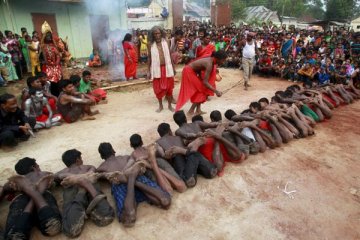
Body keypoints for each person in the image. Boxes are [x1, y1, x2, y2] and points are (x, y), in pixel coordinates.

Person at [96, 142, 171, 227]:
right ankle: (132, 179)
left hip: (119, 183)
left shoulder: (101, 168)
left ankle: (131, 180)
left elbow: (99, 177)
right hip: (137, 177)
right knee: (166, 201)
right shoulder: (126, 158)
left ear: (102, 157)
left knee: (128, 219)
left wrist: (124, 179)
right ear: (113, 150)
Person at [55, 149, 115, 238]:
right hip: (91, 190)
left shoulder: (62, 172)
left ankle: (81, 188)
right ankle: (84, 185)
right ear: (77, 160)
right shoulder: (88, 167)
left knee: (70, 230)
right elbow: (93, 170)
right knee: (107, 216)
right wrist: (84, 176)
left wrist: (71, 177)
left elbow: (56, 177)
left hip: (72, 194)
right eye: (81, 158)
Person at [3, 158, 62, 239]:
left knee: (14, 231)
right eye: (38, 166)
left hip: (22, 199)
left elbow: (5, 188)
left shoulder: (17, 180)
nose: (39, 168)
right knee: (52, 222)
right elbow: (58, 178)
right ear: (33, 167)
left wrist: (14, 187)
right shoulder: (44, 174)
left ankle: (30, 191)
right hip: (44, 199)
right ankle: (37, 192)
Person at [156, 122, 217, 187]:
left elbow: (163, 155)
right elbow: (187, 140)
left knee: (186, 155)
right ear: (170, 131)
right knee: (192, 153)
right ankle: (210, 169)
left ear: (160, 135)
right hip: (188, 158)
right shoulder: (178, 137)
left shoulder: (158, 143)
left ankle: (189, 178)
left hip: (182, 163)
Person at [175, 50, 226, 115]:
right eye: (223, 60)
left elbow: (199, 68)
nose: (224, 62)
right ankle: (191, 111)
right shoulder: (209, 64)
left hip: (192, 71)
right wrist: (216, 91)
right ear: (218, 58)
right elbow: (205, 82)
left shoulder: (211, 61)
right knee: (202, 90)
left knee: (202, 89)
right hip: (188, 72)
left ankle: (198, 110)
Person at [147, 26, 176, 112]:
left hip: (167, 68)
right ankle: (160, 106)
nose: (157, 35)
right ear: (152, 35)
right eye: (155, 34)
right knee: (157, 89)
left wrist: (173, 68)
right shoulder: (150, 44)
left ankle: (170, 106)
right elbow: (149, 58)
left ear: (161, 33)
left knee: (169, 88)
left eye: (158, 33)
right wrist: (148, 70)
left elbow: (170, 55)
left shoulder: (166, 41)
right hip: (156, 69)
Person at [40, 22, 62, 96]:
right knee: (49, 81)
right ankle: (51, 95)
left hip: (56, 65)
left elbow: (58, 55)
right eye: (47, 36)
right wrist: (45, 62)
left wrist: (57, 61)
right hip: (47, 67)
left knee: (58, 80)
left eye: (50, 36)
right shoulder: (42, 46)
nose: (49, 37)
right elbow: (41, 57)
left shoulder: (54, 45)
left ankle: (59, 95)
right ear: (44, 37)